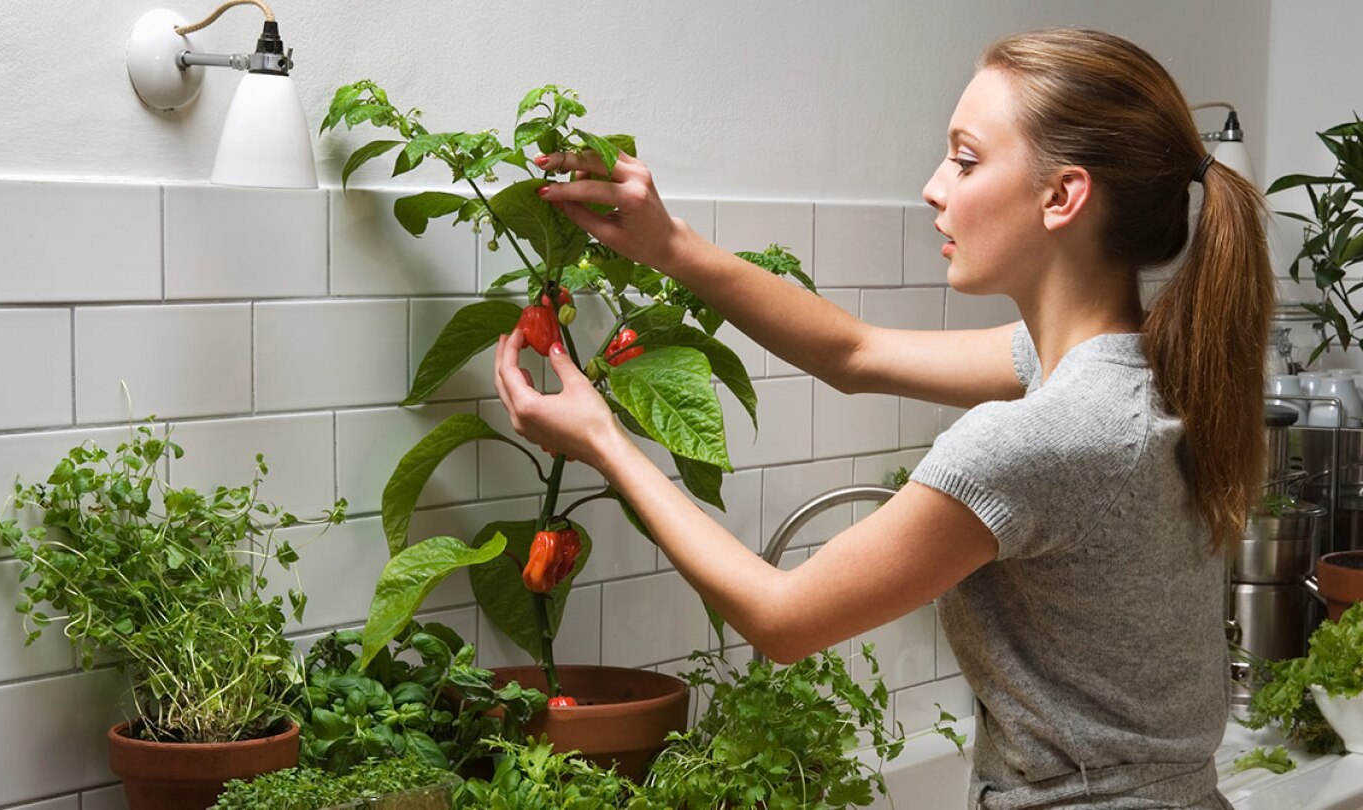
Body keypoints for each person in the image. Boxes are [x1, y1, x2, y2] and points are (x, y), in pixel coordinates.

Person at [493, 28, 1271, 810]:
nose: (935, 187)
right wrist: (672, 245)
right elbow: (854, 353)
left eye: (966, 160)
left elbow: (781, 619)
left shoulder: (1045, 434)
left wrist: (603, 440)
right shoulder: (1144, 371)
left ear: (1062, 196)